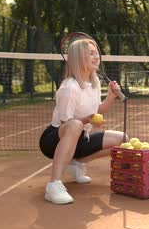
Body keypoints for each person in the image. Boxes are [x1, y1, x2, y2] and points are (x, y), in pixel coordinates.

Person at [39, 37, 126, 205]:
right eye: (91, 53)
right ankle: (54, 185)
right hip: (54, 140)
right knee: (76, 124)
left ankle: (77, 162)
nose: (96, 57)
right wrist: (88, 119)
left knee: (123, 140)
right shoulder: (69, 88)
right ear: (79, 58)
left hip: (81, 138)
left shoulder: (94, 82)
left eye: (96, 53)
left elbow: (97, 110)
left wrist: (110, 97)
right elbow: (68, 123)